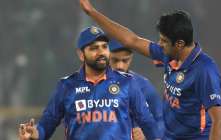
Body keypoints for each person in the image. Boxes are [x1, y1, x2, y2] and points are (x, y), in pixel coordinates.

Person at [79, 1, 221, 140]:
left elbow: (218, 119)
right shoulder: (169, 54)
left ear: (179, 44)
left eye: (164, 40)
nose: (159, 44)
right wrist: (92, 12)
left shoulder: (204, 70)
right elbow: (131, 40)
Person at [18, 26, 161, 140]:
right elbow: (48, 123)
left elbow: (147, 122)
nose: (101, 52)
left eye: (104, 47)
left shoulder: (127, 82)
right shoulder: (66, 86)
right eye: (94, 48)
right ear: (81, 54)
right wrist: (35, 134)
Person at [109, 39, 165, 140]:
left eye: (125, 60)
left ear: (131, 58)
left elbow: (161, 120)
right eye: (115, 60)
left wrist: (146, 133)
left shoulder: (143, 85)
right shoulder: (90, 85)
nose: (120, 66)